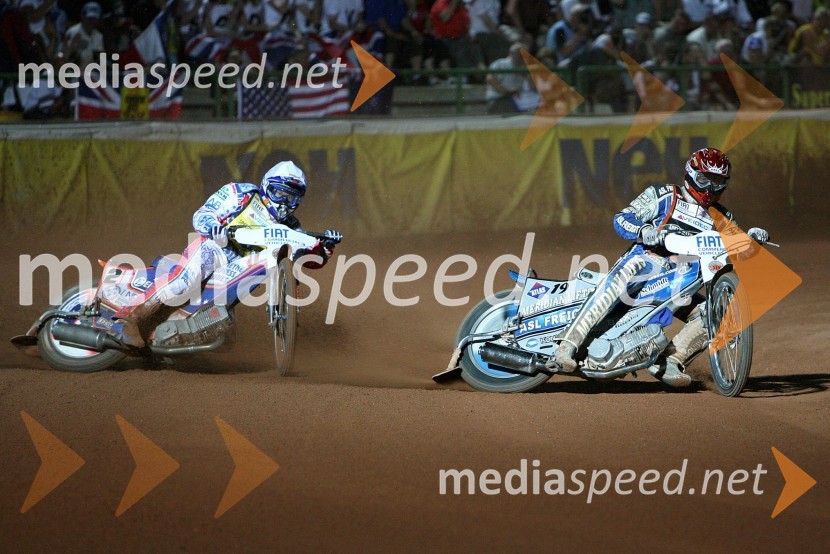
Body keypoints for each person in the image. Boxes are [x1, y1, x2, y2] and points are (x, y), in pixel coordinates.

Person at [552, 148, 769, 387]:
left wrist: (752, 241)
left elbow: (736, 254)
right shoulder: (665, 195)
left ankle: (670, 361)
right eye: (704, 180)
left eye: (717, 183)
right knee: (619, 279)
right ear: (690, 174)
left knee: (715, 314)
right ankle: (567, 345)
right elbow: (623, 218)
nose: (709, 189)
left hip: (681, 281)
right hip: (646, 261)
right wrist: (643, 230)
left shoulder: (723, 217)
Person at [119, 161, 342, 348]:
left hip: (240, 266)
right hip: (215, 248)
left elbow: (308, 258)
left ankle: (172, 337)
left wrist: (325, 247)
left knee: (225, 340)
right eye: (280, 193)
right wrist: (215, 227)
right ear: (266, 187)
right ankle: (133, 320)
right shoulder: (242, 194)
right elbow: (203, 214)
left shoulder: (292, 228)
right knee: (185, 283)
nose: (284, 203)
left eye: (292, 198)